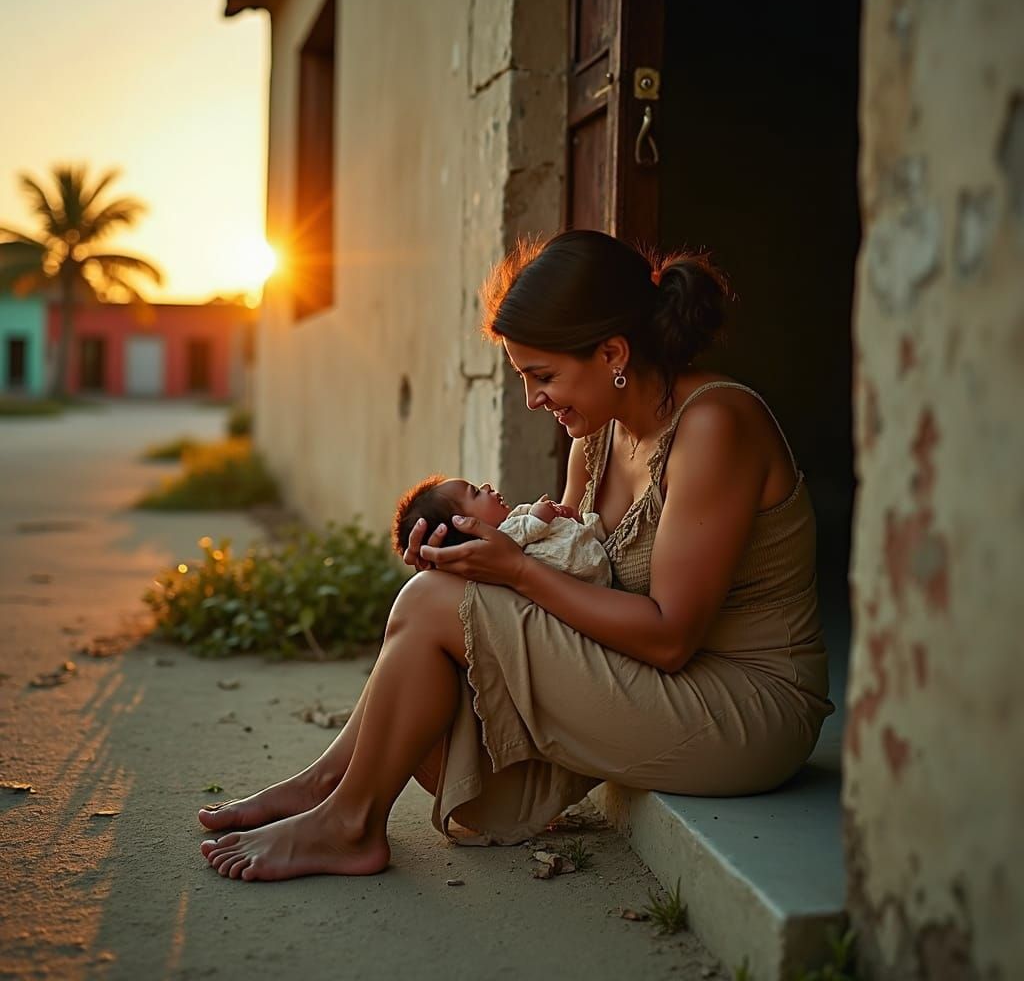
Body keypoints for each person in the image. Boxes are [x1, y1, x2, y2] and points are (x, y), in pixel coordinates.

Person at [198, 228, 834, 882]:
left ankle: (347, 819)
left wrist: (512, 573)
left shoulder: (712, 427)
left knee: (436, 607)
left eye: (544, 376)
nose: (534, 400)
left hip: (747, 707)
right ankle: (332, 789)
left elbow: (671, 636)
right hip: (662, 676)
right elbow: (569, 569)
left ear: (613, 352)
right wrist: (473, 566)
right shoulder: (599, 433)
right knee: (432, 601)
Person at [391, 475, 611, 587]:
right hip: (585, 574)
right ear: (463, 524)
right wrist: (540, 514)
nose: (487, 487)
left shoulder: (512, 527)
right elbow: (531, 525)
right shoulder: (505, 535)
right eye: (475, 493)